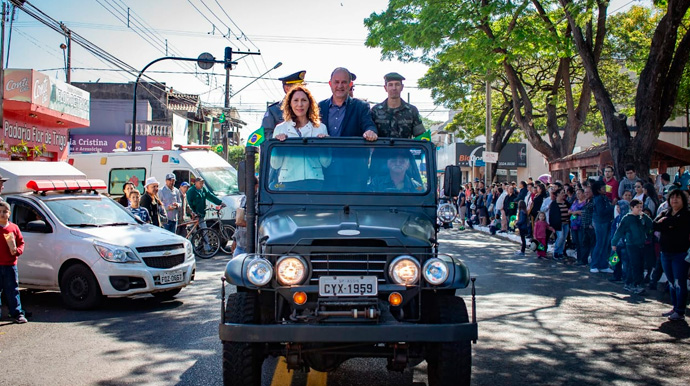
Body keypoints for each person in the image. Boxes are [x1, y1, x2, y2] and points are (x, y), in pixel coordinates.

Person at [271, 85, 331, 191]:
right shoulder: (280, 129)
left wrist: (324, 145)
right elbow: (275, 165)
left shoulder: (321, 128)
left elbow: (326, 163)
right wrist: (278, 147)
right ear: (290, 104)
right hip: (287, 182)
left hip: (315, 181)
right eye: (296, 100)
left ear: (310, 103)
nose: (300, 104)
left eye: (303, 100)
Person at [653, 189, 690, 321]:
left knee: (679, 282)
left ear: (683, 200)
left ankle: (680, 311)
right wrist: (666, 223)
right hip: (665, 252)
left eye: (678, 198)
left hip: (680, 254)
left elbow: (676, 224)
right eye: (672, 197)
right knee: (671, 282)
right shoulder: (665, 212)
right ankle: (675, 307)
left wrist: (666, 223)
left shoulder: (686, 214)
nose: (674, 200)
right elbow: (655, 225)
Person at [318, 67, 378, 140]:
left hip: (351, 151)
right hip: (325, 151)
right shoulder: (320, 107)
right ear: (330, 84)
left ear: (350, 84)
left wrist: (370, 131)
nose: (340, 86)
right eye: (336, 82)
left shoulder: (361, 107)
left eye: (344, 82)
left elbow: (369, 125)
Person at [611, 199, 652, 295]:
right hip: (631, 245)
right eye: (637, 207)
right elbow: (619, 231)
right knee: (634, 265)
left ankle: (633, 283)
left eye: (640, 207)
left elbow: (650, 225)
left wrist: (645, 218)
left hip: (641, 244)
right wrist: (614, 243)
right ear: (632, 208)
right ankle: (634, 284)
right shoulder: (627, 218)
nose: (639, 209)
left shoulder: (642, 218)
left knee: (639, 265)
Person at [370, 72, 425, 138]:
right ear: (385, 88)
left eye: (397, 84)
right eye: (390, 85)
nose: (394, 88)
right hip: (382, 148)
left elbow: (421, 136)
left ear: (402, 87)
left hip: (405, 148)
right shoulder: (375, 111)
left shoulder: (412, 111)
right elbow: (370, 133)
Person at [0, 201, 27, 324]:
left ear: (9, 213)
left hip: (10, 265)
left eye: (4, 212)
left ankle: (17, 313)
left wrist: (18, 251)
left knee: (13, 290)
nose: (2, 214)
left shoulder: (13, 228)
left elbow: (21, 242)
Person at [261, 70, 306, 140]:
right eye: (298, 87)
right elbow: (266, 135)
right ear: (287, 88)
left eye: (303, 86)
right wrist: (278, 138)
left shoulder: (309, 107)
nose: (302, 90)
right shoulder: (274, 111)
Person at [590, 180, 615, 274]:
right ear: (598, 190)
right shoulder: (598, 199)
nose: (605, 189)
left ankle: (603, 264)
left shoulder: (603, 197)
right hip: (600, 222)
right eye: (603, 188)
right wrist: (612, 207)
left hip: (606, 221)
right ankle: (594, 264)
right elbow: (601, 212)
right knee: (600, 243)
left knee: (605, 244)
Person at [233, 177, 258, 257]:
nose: (246, 189)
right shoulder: (244, 199)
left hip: (253, 247)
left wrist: (247, 224)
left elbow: (262, 224)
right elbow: (238, 223)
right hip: (240, 245)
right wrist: (234, 240)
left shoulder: (261, 200)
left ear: (256, 186)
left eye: (249, 187)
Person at [548, 188, 570, 260]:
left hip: (566, 223)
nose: (563, 194)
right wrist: (551, 225)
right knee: (560, 237)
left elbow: (570, 209)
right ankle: (556, 252)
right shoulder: (554, 204)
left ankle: (561, 252)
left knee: (564, 238)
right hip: (558, 224)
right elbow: (551, 215)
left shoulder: (566, 202)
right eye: (562, 193)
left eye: (564, 193)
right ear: (557, 194)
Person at [569, 188, 587, 266]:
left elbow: (585, 212)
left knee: (581, 242)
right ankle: (578, 258)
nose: (578, 195)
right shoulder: (575, 201)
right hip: (574, 224)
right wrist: (571, 212)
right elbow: (570, 209)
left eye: (579, 193)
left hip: (581, 224)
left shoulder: (585, 202)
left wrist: (576, 212)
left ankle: (583, 259)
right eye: (577, 193)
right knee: (576, 242)